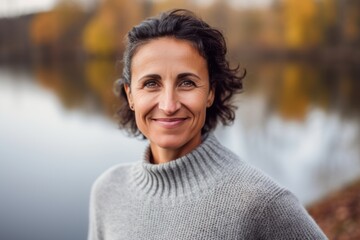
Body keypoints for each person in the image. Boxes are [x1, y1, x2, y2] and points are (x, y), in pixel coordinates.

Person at [88, 9, 327, 240]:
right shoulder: (108, 191)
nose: (169, 105)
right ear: (130, 95)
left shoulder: (260, 201)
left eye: (187, 83)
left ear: (211, 92)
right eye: (151, 83)